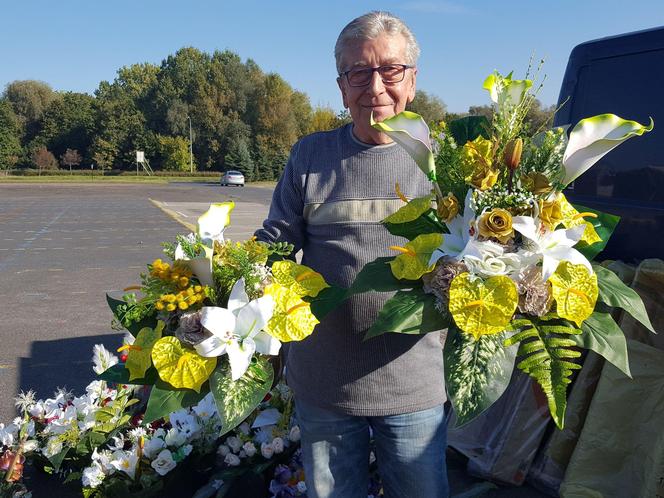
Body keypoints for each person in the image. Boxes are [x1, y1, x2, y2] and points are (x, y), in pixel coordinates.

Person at [255, 11, 448, 498]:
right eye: (358, 73)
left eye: (390, 70)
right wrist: (210, 280)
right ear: (342, 87)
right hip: (325, 384)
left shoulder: (446, 162)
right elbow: (275, 243)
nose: (375, 87)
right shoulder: (310, 156)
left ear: (412, 79)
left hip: (413, 384)